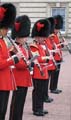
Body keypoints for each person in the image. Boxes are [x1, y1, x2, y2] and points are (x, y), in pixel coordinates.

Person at [9, 15, 32, 120]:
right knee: (16, 104)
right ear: (18, 36)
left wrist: (31, 61)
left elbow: (25, 60)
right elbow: (18, 64)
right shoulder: (13, 48)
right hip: (18, 79)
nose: (25, 39)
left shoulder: (23, 47)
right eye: (24, 37)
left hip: (24, 79)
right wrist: (28, 64)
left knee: (21, 103)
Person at [0, 3, 21, 120]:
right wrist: (13, 59)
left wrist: (11, 51)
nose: (7, 31)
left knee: (3, 110)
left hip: (5, 81)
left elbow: (3, 56)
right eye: (5, 28)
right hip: (1, 81)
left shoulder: (3, 41)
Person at [30, 19, 51, 116]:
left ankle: (40, 107)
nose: (44, 39)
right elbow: (37, 58)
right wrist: (47, 57)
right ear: (37, 37)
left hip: (44, 71)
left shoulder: (42, 45)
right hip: (38, 72)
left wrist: (46, 50)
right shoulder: (34, 46)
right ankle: (36, 109)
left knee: (42, 91)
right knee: (37, 91)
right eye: (42, 37)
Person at [49, 15, 64, 94]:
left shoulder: (56, 35)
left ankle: (55, 87)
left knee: (56, 74)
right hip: (54, 57)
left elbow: (58, 45)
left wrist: (62, 43)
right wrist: (59, 45)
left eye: (58, 29)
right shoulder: (51, 36)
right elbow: (52, 47)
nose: (57, 30)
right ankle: (52, 88)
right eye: (56, 29)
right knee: (54, 74)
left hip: (58, 56)